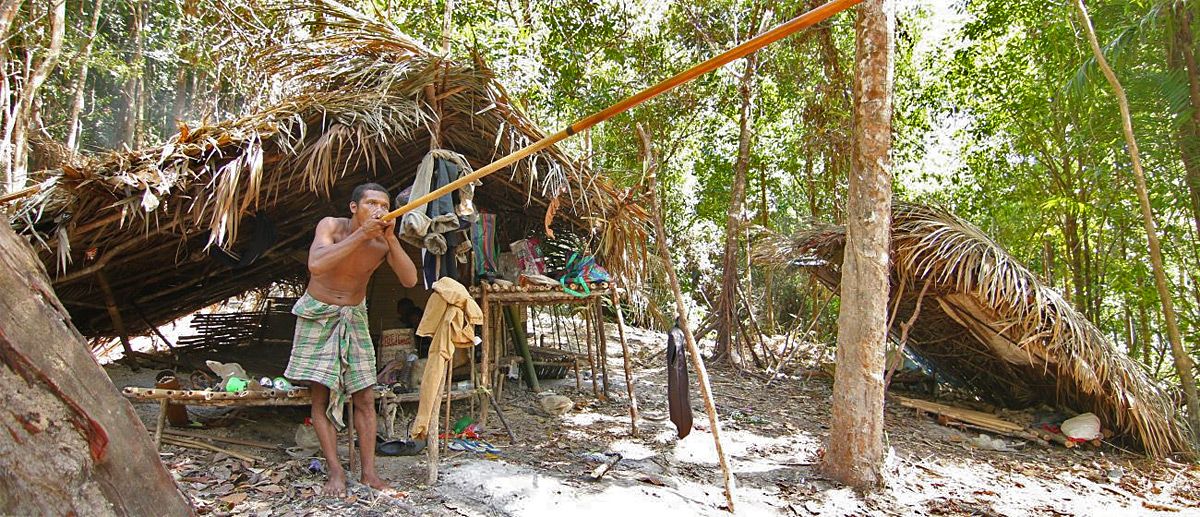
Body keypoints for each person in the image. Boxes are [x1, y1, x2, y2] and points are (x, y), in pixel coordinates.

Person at [285, 183, 418, 497]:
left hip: (354, 316)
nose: (379, 211)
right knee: (321, 398)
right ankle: (336, 472)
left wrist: (390, 239)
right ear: (354, 207)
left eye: (384, 206)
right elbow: (317, 265)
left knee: (365, 398)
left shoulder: (382, 242)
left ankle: (369, 473)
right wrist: (361, 235)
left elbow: (410, 279)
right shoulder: (331, 226)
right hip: (318, 314)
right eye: (371, 203)